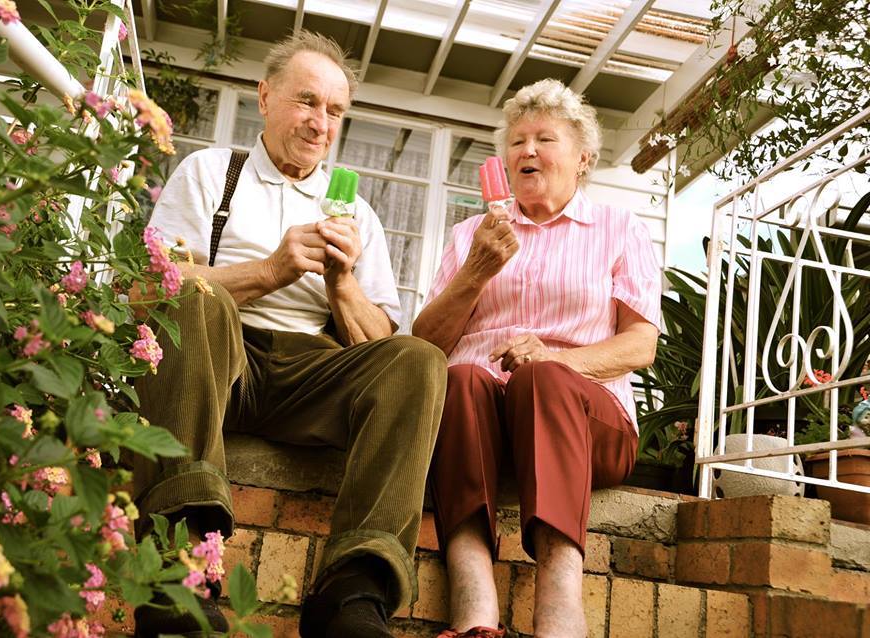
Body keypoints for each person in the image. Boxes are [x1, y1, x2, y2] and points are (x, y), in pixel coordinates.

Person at [131, 31, 447, 638]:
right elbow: (155, 289)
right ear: (265, 97)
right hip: (221, 356)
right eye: (307, 102)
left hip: (309, 373)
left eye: (334, 111)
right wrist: (271, 270)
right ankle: (182, 569)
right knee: (194, 298)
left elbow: (377, 341)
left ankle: (352, 592)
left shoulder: (358, 212)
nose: (320, 122)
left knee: (418, 360)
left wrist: (343, 283)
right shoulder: (210, 173)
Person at [412, 78, 661, 638]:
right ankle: (474, 611)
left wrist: (553, 359)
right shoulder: (471, 235)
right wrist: (475, 271)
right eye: (517, 141)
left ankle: (559, 610)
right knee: (461, 380)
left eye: (544, 139)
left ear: (583, 159)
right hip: (480, 421)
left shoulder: (619, 230)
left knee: (542, 381)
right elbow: (426, 343)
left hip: (586, 420)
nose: (526, 151)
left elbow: (640, 345)